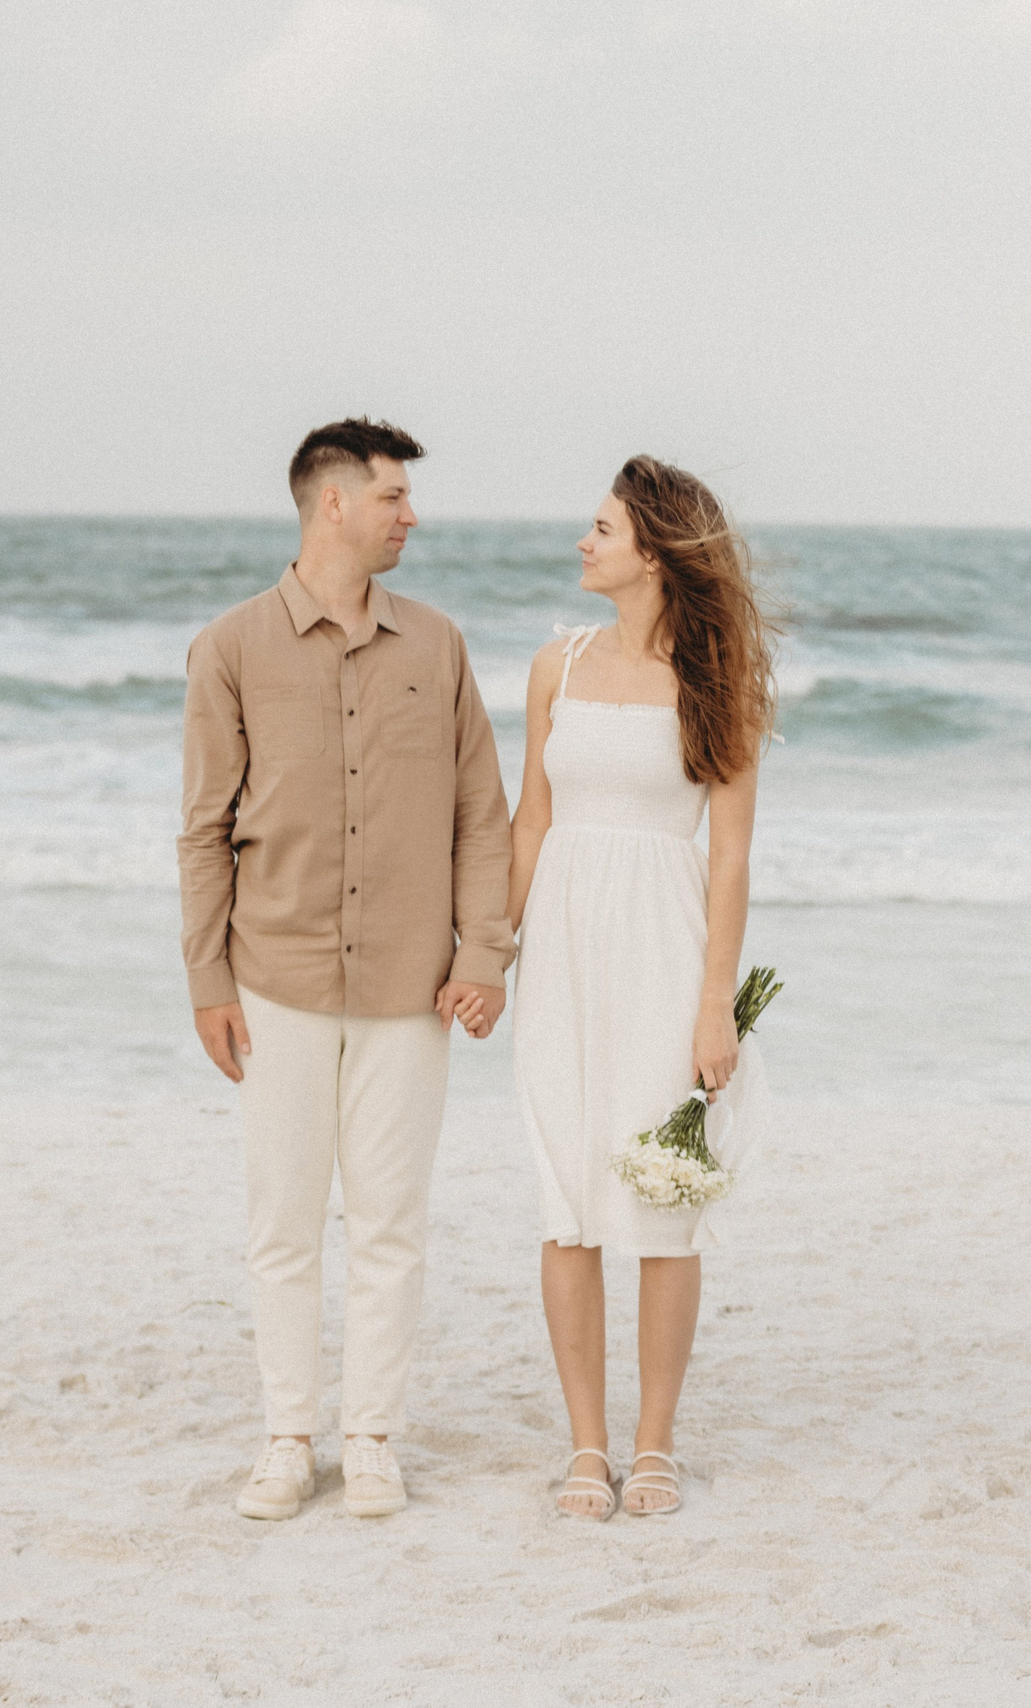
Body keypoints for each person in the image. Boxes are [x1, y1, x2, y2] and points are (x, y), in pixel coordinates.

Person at [177, 417, 513, 1521]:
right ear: (333, 503)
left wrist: (483, 953)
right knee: (282, 1221)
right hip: (274, 979)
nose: (411, 516)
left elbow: (481, 814)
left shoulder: (438, 646)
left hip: (413, 987)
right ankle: (287, 1437)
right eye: (392, 497)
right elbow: (204, 829)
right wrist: (208, 980)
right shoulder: (230, 649)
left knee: (390, 1223)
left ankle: (369, 1437)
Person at [459, 455, 778, 1519]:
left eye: (601, 528)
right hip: (561, 950)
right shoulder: (556, 663)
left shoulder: (719, 681)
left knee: (661, 1203)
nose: (582, 542)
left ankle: (654, 1445)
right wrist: (490, 954)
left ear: (653, 549)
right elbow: (531, 822)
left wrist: (713, 1004)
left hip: (663, 952)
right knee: (567, 1204)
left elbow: (729, 857)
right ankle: (587, 1446)